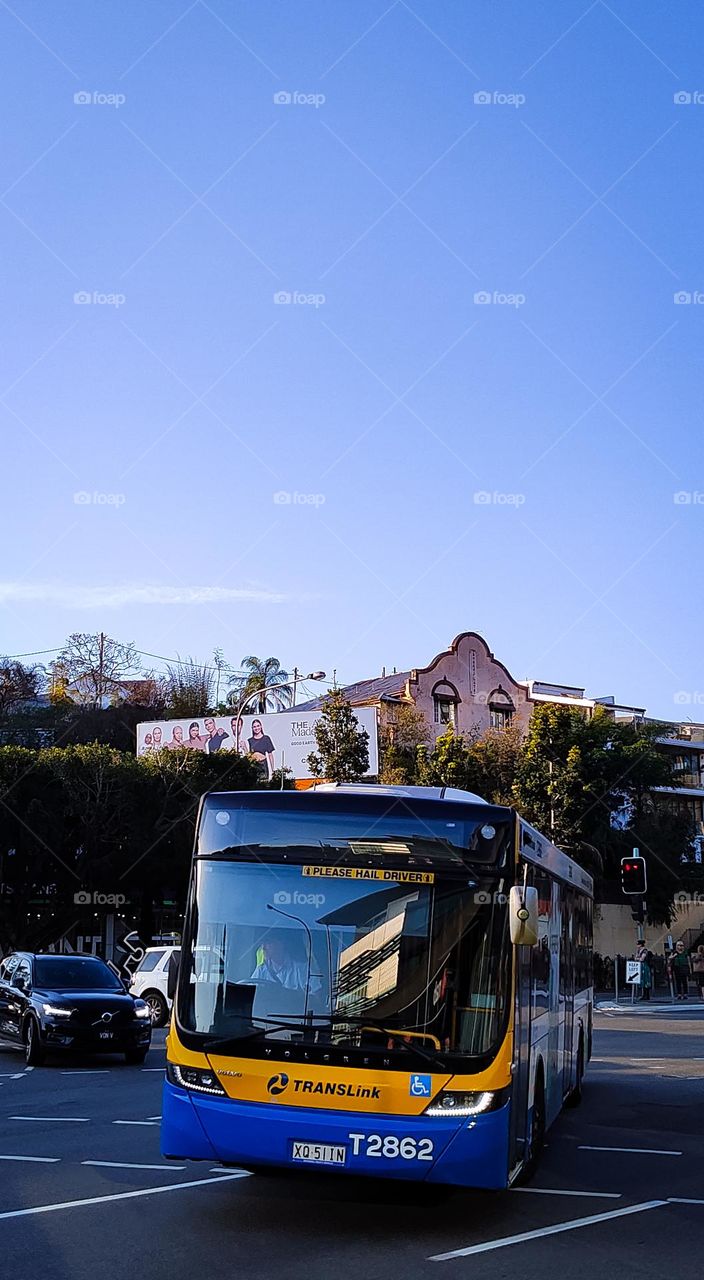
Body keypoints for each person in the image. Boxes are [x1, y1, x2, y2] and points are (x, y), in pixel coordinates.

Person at [250, 937, 321, 994]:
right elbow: (249, 992)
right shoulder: (261, 971)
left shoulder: (301, 969)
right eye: (262, 943)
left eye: (268, 942)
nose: (263, 948)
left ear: (280, 944)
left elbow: (315, 997)